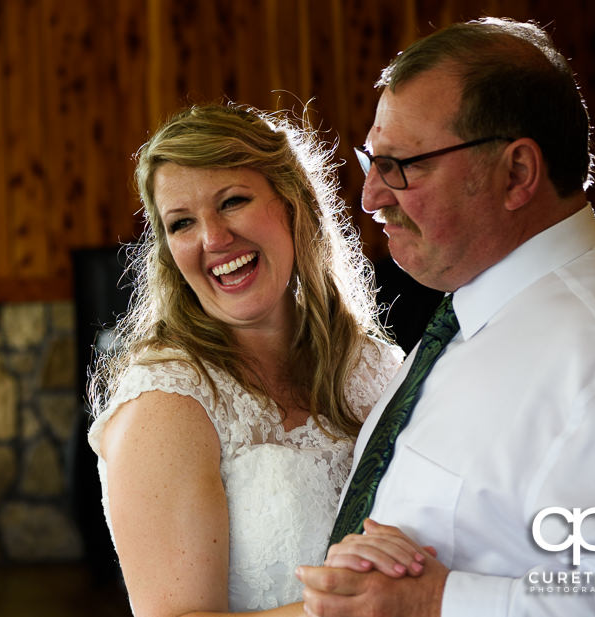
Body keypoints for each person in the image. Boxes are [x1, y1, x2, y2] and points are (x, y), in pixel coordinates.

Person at [298, 17, 595, 616]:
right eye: (371, 160)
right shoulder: (475, 314)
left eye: (403, 165)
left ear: (516, 174)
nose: (372, 197)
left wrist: (437, 601)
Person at [87, 103, 406, 615]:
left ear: (292, 204)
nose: (213, 239)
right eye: (182, 222)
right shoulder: (168, 403)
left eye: (232, 201)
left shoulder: (372, 366)